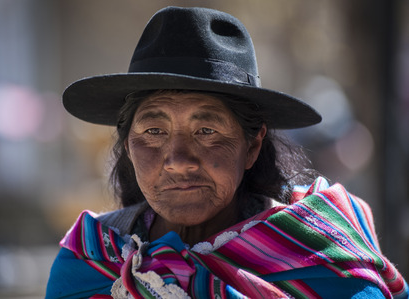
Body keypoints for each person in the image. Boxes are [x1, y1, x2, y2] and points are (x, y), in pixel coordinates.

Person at [46, 6, 408, 298]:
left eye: (207, 131)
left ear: (251, 146)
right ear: (128, 147)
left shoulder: (320, 257)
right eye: (154, 132)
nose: (177, 160)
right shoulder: (91, 261)